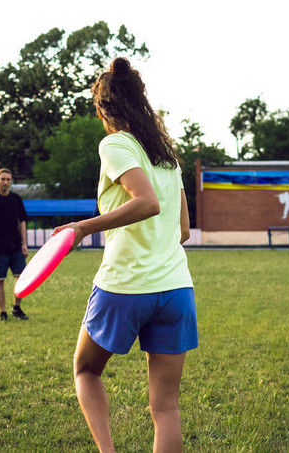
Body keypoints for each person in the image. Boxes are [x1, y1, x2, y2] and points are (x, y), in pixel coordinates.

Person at [53, 57, 197, 453]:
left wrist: (82, 227)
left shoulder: (115, 143)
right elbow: (182, 230)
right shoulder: (167, 155)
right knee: (166, 407)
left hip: (125, 285)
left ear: (102, 108)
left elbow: (146, 202)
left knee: (85, 369)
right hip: (176, 290)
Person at [0, 168, 30, 321]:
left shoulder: (16, 199)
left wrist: (24, 244)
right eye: (3, 179)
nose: (6, 182)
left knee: (21, 278)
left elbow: (22, 222)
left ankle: (16, 307)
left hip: (16, 246)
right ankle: (2, 312)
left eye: (8, 180)